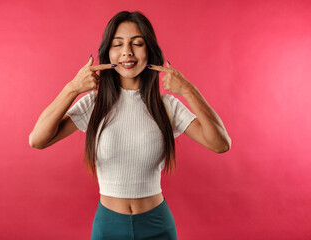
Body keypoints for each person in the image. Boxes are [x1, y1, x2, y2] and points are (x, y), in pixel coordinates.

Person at [29, 10, 231, 240]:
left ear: (150, 52)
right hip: (108, 226)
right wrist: (72, 89)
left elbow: (221, 143)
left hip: (157, 225)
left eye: (137, 43)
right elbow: (37, 139)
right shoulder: (94, 104)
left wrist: (188, 90)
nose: (127, 51)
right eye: (118, 44)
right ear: (108, 53)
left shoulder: (166, 106)